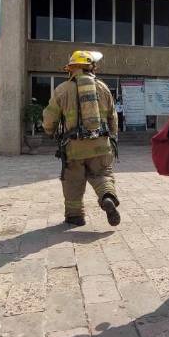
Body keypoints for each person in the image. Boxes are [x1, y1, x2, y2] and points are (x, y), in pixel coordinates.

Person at [42, 50, 121, 227]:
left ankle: (75, 216)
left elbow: (49, 118)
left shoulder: (62, 89)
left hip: (74, 147)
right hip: (101, 144)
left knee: (73, 182)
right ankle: (107, 197)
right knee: (102, 175)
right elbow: (113, 117)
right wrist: (112, 137)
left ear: (71, 69)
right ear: (91, 67)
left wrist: (49, 131)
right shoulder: (104, 88)